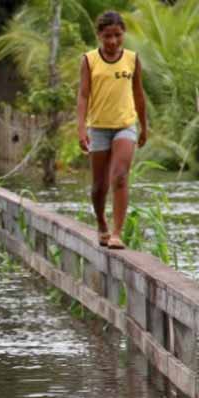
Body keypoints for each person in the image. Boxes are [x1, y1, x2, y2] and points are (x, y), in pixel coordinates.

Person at [76, 10, 148, 250]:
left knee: (120, 176)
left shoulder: (132, 59)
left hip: (125, 125)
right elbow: (83, 96)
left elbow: (139, 94)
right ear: (99, 35)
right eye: (107, 36)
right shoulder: (89, 60)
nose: (113, 41)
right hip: (98, 128)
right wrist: (81, 129)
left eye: (117, 35)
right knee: (99, 186)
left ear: (123, 34)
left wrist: (144, 127)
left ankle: (117, 233)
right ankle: (101, 223)